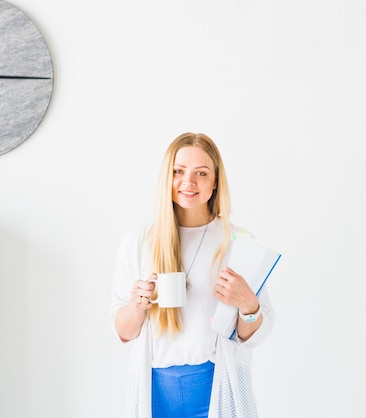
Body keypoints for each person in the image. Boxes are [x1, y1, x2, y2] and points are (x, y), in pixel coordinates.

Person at [110, 132, 275, 418]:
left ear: (215, 182)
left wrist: (249, 305)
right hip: (155, 389)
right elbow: (123, 332)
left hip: (217, 386)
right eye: (178, 171)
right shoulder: (139, 240)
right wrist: (137, 305)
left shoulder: (237, 240)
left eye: (201, 173)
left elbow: (250, 337)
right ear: (167, 177)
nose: (189, 182)